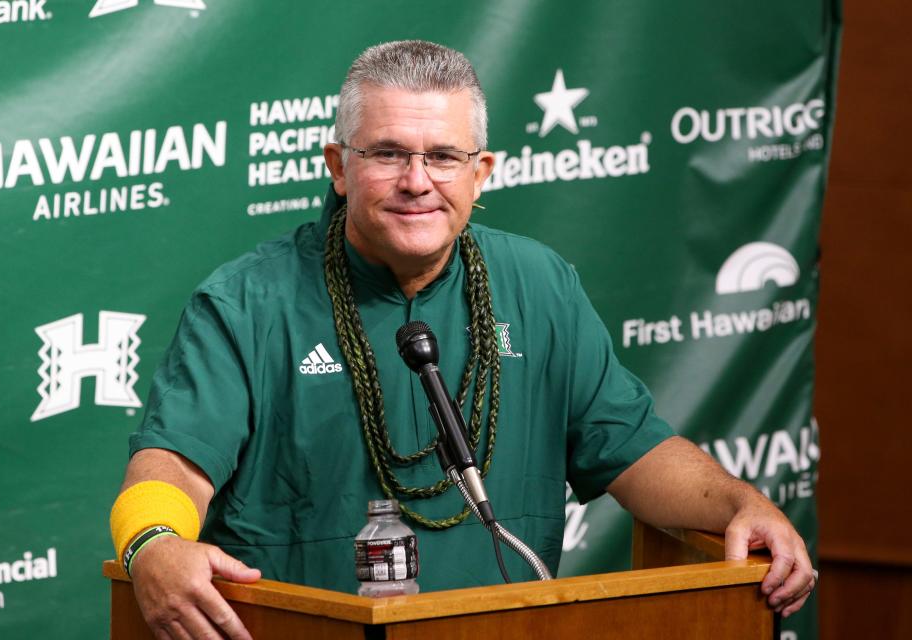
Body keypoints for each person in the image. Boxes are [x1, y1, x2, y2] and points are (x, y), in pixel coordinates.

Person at [110, 40, 816, 640]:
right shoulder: (246, 301)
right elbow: (170, 468)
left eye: (443, 157)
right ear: (337, 165)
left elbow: (634, 450)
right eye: (387, 153)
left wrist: (739, 504)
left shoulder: (540, 283)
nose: (417, 182)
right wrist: (155, 543)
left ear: (481, 173)